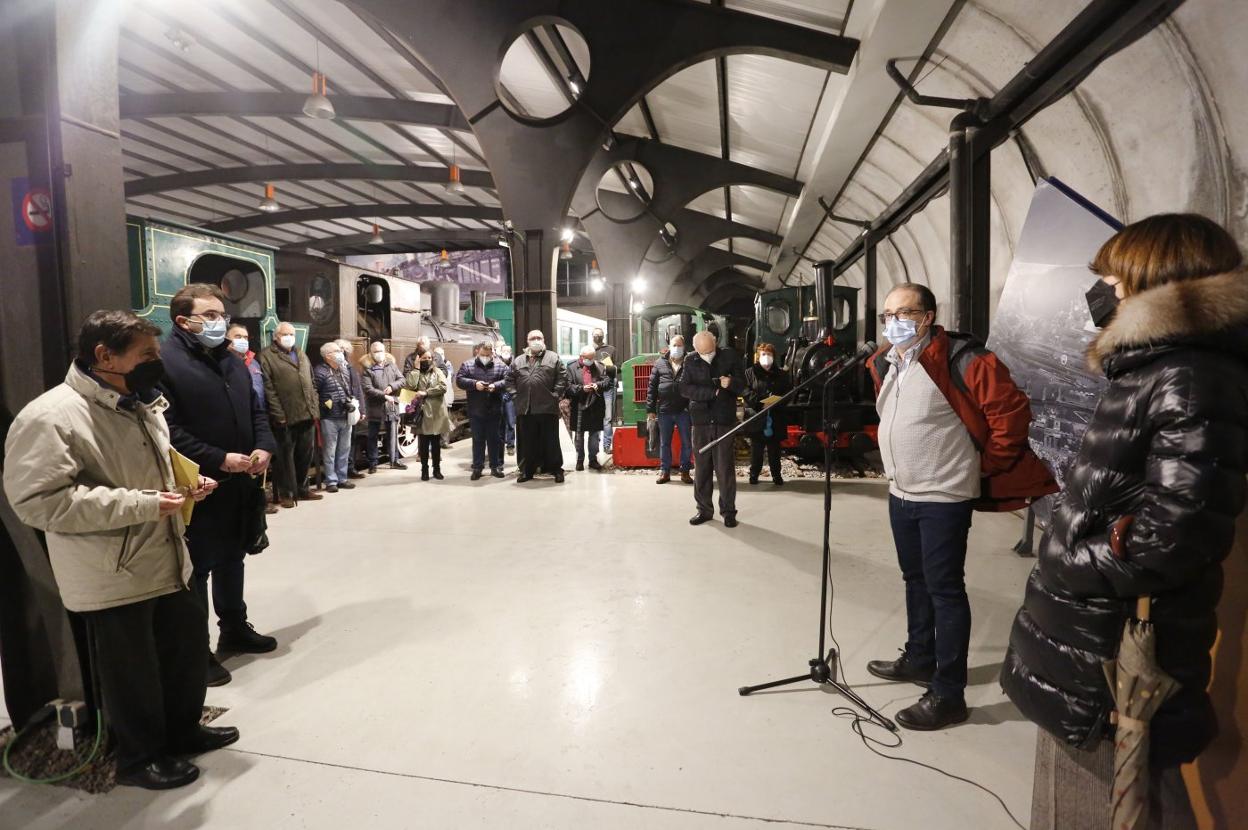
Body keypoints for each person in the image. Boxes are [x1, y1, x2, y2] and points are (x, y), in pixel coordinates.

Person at [999, 215, 1248, 828]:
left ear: (1153, 280)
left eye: (1112, 276)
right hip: (1086, 643)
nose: (1102, 289)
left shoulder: (1186, 378)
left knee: (1111, 804)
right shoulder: (1152, 370)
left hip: (1112, 655)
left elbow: (1173, 537)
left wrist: (1064, 553)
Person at [3, 310, 234, 790]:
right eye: (146, 354)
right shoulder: (50, 417)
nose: (158, 362)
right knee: (133, 674)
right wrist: (146, 504)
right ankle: (139, 757)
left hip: (166, 557)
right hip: (111, 569)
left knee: (183, 652)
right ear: (104, 356)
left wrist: (185, 482)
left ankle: (182, 730)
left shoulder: (139, 401)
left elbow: (150, 464)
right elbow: (38, 503)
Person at [864, 282, 1055, 731]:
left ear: (927, 317)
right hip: (902, 493)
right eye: (887, 315)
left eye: (902, 313)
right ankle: (919, 658)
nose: (893, 323)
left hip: (943, 497)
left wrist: (982, 467)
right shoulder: (887, 364)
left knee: (945, 590)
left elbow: (1012, 416)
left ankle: (949, 693)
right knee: (915, 579)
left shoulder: (964, 360)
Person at [159, 284, 279, 688]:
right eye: (209, 315)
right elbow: (167, 430)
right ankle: (197, 650)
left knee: (233, 556)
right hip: (200, 485)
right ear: (183, 321)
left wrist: (264, 445)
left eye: (221, 315)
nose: (220, 322)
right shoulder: (167, 364)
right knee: (199, 567)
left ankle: (234, 626)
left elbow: (256, 410)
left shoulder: (232, 361)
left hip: (239, 481)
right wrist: (217, 457)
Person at [680, 330, 745, 527]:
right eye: (703, 353)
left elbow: (743, 383)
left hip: (723, 420)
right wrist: (712, 392)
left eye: (710, 351)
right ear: (695, 350)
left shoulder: (729, 355)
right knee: (702, 468)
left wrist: (731, 383)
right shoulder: (690, 360)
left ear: (715, 343)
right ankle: (704, 510)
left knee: (725, 468)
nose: (708, 355)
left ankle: (728, 512)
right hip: (700, 422)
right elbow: (684, 388)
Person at [258, 322, 322, 509]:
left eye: (292, 334)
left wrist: (314, 406)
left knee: (304, 454)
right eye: (285, 334)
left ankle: (302, 489)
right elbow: (268, 389)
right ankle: (287, 493)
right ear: (276, 336)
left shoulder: (301, 353)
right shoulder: (267, 356)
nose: (289, 337)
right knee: (285, 458)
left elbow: (311, 381)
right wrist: (278, 414)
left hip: (307, 414)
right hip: (285, 416)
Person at [228, 324, 277, 515]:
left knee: (258, 465)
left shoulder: (254, 363)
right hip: (238, 421)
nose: (243, 341)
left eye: (246, 337)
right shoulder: (225, 363)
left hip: (258, 417)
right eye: (238, 336)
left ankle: (260, 500)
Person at [506, 330, 568, 483]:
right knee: (527, 442)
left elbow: (562, 378)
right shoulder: (518, 361)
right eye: (532, 338)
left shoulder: (553, 357)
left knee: (551, 441)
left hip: (547, 407)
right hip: (525, 408)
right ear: (527, 341)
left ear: (544, 339)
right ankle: (527, 471)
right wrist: (515, 396)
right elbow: (509, 380)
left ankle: (556, 469)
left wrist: (555, 395)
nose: (535, 340)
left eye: (538, 338)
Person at [455, 340, 508, 480]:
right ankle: (477, 468)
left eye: (488, 355)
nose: (485, 357)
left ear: (492, 354)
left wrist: (495, 386)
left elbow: (508, 380)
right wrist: (474, 384)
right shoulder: (468, 364)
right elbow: (459, 380)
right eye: (483, 354)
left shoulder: (501, 365)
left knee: (494, 439)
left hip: (495, 410)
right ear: (478, 352)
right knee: (477, 440)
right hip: (476, 410)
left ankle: (495, 467)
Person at [647, 334, 693, 485]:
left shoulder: (690, 362)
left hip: (684, 411)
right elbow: (652, 388)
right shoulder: (660, 363)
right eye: (675, 345)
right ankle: (664, 471)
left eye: (680, 346)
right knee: (664, 443)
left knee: (687, 443)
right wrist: (651, 410)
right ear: (669, 346)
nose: (677, 348)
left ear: (684, 347)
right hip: (664, 410)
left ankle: (685, 471)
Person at [743, 343, 791, 486]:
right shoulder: (750, 373)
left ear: (774, 357)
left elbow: (788, 392)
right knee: (756, 449)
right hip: (756, 415)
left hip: (775, 415)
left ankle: (776, 475)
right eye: (763, 354)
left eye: (769, 354)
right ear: (758, 356)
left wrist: (776, 402)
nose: (766, 357)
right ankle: (754, 475)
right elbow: (746, 391)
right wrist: (760, 403)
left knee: (774, 450)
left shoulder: (782, 374)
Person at [313, 342, 357, 493]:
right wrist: (325, 405)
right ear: (327, 356)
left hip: (345, 415)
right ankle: (331, 481)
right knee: (330, 451)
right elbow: (314, 393)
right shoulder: (320, 372)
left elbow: (350, 389)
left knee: (344, 449)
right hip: (329, 417)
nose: (341, 353)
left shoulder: (344, 370)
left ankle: (342, 478)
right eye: (337, 351)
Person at [402, 348, 450, 480]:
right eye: (424, 358)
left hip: (436, 412)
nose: (427, 360)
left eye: (429, 358)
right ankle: (424, 470)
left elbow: (443, 387)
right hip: (421, 413)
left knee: (435, 444)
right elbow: (410, 385)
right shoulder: (414, 372)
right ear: (418, 359)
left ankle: (437, 469)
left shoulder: (437, 371)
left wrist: (426, 392)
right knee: (423, 444)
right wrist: (416, 369)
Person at [360, 341, 406, 473]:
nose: (378, 354)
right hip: (375, 407)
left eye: (380, 351)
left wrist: (392, 386)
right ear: (371, 353)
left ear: (384, 351)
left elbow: (402, 380)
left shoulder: (391, 365)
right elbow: (368, 388)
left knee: (393, 434)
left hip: (391, 406)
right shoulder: (367, 369)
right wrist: (383, 395)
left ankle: (394, 460)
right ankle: (372, 463)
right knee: (372, 435)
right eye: (375, 351)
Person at [565, 345, 611, 472]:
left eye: (592, 358)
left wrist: (597, 385)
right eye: (588, 358)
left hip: (595, 406)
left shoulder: (600, 366)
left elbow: (607, 382)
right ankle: (580, 460)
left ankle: (593, 460)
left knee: (594, 435)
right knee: (579, 436)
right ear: (582, 357)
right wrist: (581, 389)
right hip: (579, 405)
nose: (590, 361)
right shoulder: (571, 367)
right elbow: (567, 387)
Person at [335, 338, 367, 481]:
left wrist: (363, 410)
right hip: (338, 410)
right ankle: (339, 472)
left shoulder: (351, 368)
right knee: (338, 443)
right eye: (339, 349)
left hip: (352, 409)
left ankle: (350, 467)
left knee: (351, 440)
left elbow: (358, 388)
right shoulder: (331, 369)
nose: (342, 352)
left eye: (344, 350)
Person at [592, 327, 617, 453]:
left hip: (608, 386)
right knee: (596, 417)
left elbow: (616, 368)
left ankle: (607, 446)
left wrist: (607, 366)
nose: (597, 337)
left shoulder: (610, 349)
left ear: (603, 336)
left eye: (599, 335)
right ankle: (595, 446)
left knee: (607, 418)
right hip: (595, 387)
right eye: (595, 335)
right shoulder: (589, 351)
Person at [498, 343, 517, 456]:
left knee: (510, 422)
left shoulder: (515, 364)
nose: (506, 352)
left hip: (510, 396)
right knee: (499, 422)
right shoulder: (496, 363)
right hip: (499, 395)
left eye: (508, 350)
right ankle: (500, 445)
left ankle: (510, 445)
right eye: (504, 350)